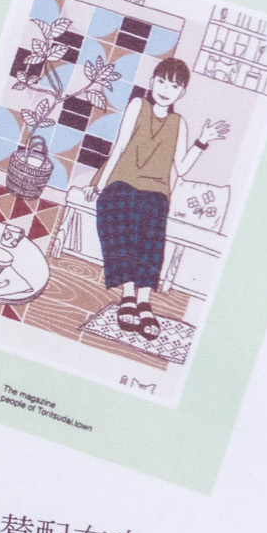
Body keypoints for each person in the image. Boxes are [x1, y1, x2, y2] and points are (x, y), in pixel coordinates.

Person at [93, 56, 191, 343]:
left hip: (157, 190)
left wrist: (203, 141)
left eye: (174, 86)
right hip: (122, 183)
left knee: (152, 232)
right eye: (162, 81)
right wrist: (99, 183)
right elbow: (120, 146)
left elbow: (182, 167)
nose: (166, 89)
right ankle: (128, 296)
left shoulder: (179, 123)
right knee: (119, 211)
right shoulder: (138, 105)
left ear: (182, 92)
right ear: (152, 82)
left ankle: (144, 302)